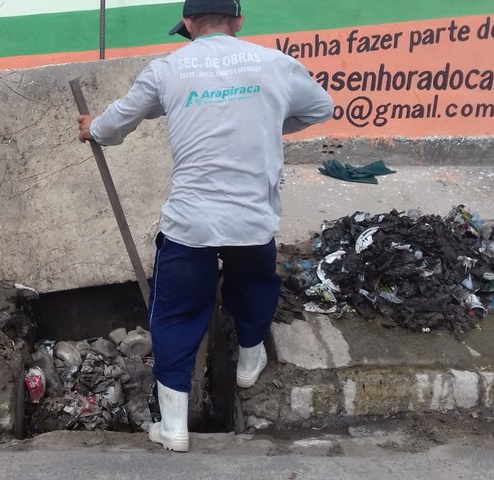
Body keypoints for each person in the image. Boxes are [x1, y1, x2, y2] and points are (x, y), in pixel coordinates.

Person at [77, 0, 334, 452]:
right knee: (254, 288)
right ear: (238, 21)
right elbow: (321, 109)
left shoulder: (168, 70)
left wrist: (91, 128)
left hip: (190, 224)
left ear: (189, 24)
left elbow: (117, 121)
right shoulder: (277, 64)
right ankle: (249, 361)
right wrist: (266, 121)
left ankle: (174, 428)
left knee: (175, 314)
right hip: (253, 218)